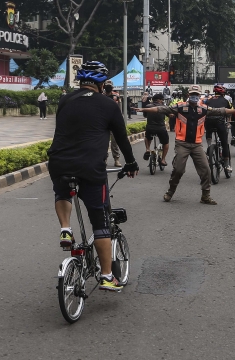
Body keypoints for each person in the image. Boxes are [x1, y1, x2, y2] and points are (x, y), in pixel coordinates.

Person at [47, 60, 139, 291]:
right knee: (100, 223)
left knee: (62, 192)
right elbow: (121, 138)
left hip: (58, 163)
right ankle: (107, 276)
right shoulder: (109, 105)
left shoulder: (64, 100)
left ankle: (65, 229)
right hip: (90, 168)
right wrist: (130, 162)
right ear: (102, 82)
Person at [136, 85, 235, 204]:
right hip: (182, 144)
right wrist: (145, 110)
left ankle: (205, 196)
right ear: (188, 95)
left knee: (206, 170)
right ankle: (170, 192)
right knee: (178, 170)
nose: (194, 97)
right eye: (192, 94)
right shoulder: (180, 107)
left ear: (199, 96)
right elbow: (161, 109)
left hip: (196, 145)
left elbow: (221, 111)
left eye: (196, 94)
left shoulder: (204, 108)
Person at [205, 85, 233, 172]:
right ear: (223, 93)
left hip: (208, 122)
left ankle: (209, 147)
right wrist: (229, 120)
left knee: (208, 131)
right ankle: (227, 164)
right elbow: (231, 110)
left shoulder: (208, 100)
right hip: (220, 123)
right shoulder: (225, 101)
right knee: (224, 143)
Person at [142, 93, 170, 167]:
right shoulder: (164, 107)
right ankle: (163, 159)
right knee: (166, 142)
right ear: (159, 100)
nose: (163, 101)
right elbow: (169, 115)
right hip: (161, 128)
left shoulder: (148, 106)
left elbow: (145, 115)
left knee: (147, 137)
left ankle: (148, 149)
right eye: (162, 100)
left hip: (150, 127)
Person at [103, 80, 123, 167]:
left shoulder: (116, 96)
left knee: (114, 141)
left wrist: (119, 119)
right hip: (103, 121)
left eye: (110, 86)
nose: (108, 88)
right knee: (104, 142)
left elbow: (119, 108)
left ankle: (116, 159)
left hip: (113, 121)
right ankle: (104, 159)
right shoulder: (101, 96)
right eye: (107, 86)